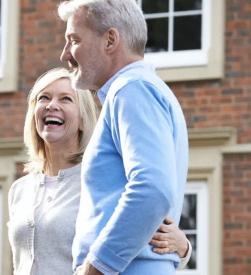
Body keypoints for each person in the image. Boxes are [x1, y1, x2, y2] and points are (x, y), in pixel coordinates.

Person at [7, 68, 192, 275]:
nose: (52, 105)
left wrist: (184, 247)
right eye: (44, 98)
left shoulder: (99, 181)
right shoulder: (18, 190)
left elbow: (138, 226)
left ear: (83, 121)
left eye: (66, 99)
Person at [57, 0, 189, 274]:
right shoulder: (139, 89)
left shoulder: (132, 90)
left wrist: (97, 266)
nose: (65, 54)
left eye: (74, 40)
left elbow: (152, 188)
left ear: (110, 40)